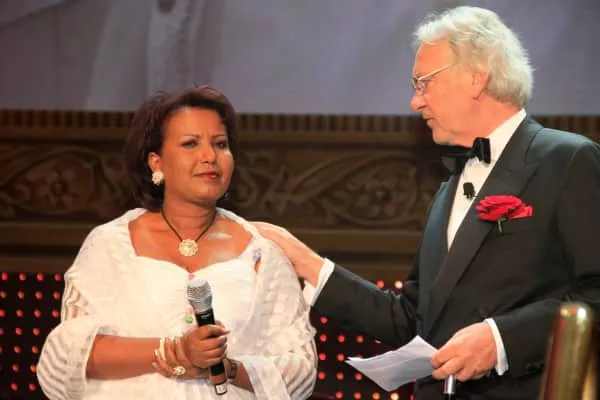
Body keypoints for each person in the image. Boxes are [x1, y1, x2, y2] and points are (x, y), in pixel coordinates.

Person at [254, 6, 600, 400]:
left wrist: (501, 340)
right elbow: (411, 320)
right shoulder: (449, 189)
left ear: (477, 77)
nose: (414, 102)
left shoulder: (567, 160)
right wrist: (309, 265)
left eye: (423, 83)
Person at [36, 85, 317, 399]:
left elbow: (300, 371)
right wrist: (176, 351)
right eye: (190, 143)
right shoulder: (110, 245)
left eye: (220, 144)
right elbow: (70, 356)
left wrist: (227, 368)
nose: (209, 156)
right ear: (156, 162)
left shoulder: (261, 251)